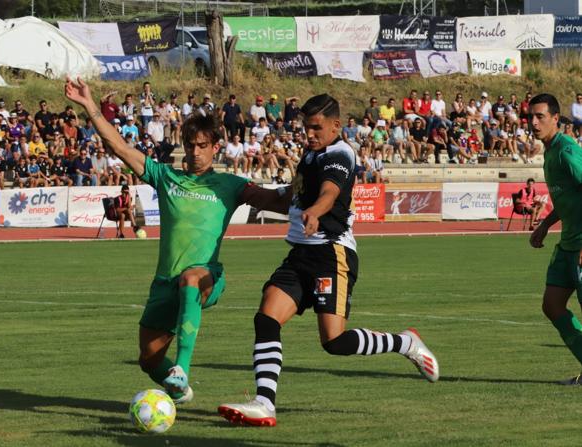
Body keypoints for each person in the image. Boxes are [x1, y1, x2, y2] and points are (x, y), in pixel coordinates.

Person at [218, 94, 439, 426]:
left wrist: (315, 211)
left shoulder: (340, 153)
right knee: (267, 317)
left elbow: (329, 193)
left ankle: (405, 342)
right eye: (306, 127)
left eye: (316, 127)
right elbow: (291, 197)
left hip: (332, 254)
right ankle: (265, 403)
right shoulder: (311, 154)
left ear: (336, 125)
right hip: (301, 253)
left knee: (334, 342)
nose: (308, 133)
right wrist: (242, 191)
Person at [65, 75, 286, 404]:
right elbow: (120, 148)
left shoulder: (230, 185)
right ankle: (178, 387)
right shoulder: (166, 177)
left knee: (191, 279)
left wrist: (313, 183)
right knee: (149, 360)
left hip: (206, 275)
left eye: (202, 146)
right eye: (191, 145)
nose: (195, 152)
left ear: (215, 147)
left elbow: (274, 200)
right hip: (164, 283)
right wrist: (89, 105)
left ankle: (182, 367)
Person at [528, 93, 582, 385]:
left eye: (540, 117)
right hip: (568, 244)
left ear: (556, 120)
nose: (534, 123)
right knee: (552, 304)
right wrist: (545, 225)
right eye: (530, 117)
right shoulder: (549, 152)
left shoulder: (566, 150)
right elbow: (566, 197)